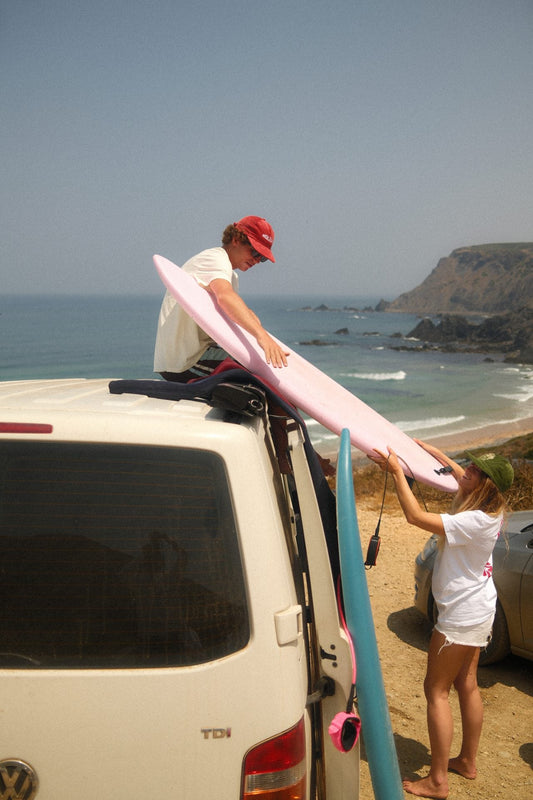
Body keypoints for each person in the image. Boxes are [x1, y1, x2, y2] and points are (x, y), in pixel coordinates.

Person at [368, 442, 514, 799]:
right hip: (480, 610)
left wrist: (398, 473)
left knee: (436, 690)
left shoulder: (474, 520)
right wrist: (430, 452)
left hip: (461, 618)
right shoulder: (489, 509)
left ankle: (437, 780)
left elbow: (416, 517)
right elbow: (460, 474)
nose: (468, 471)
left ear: (486, 486)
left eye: (476, 471)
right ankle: (466, 760)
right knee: (467, 683)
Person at [154, 215, 289, 381]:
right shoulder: (215, 259)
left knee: (265, 370)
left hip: (194, 354)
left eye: (262, 258)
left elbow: (234, 309)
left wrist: (259, 331)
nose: (256, 260)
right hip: (185, 362)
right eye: (254, 251)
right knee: (264, 380)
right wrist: (262, 337)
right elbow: (225, 298)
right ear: (235, 239)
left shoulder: (228, 274)